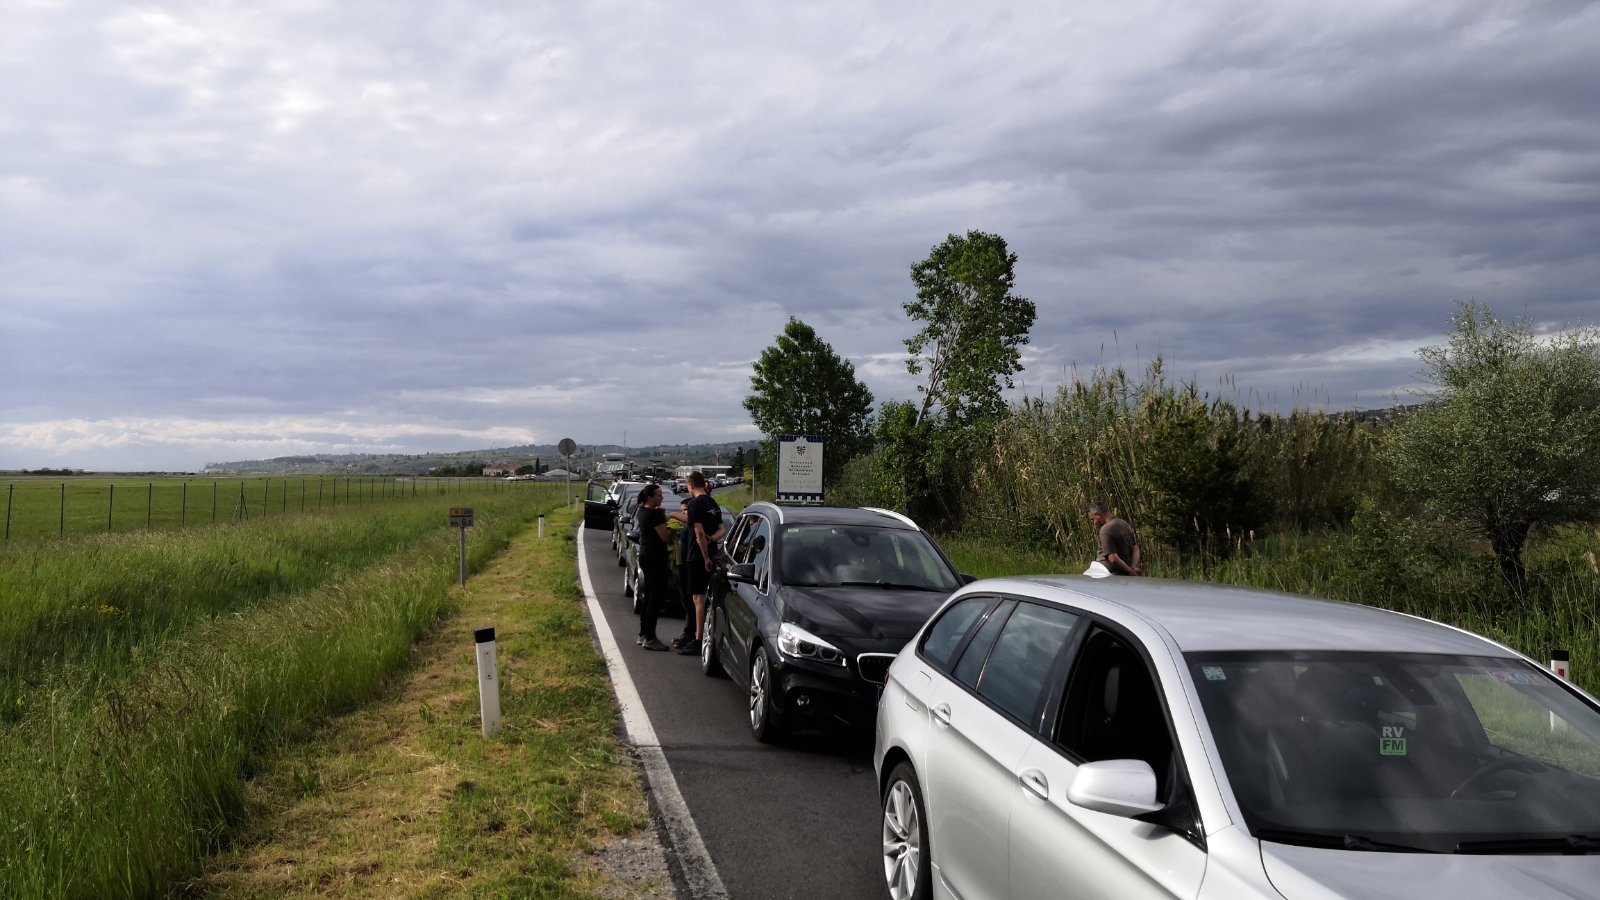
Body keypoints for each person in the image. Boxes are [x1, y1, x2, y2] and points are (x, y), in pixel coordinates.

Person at [673, 471, 724, 655]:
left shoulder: (694, 504)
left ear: (690, 485)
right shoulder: (713, 503)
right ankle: (698, 635)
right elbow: (722, 529)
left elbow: (698, 533)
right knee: (703, 597)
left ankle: (698, 639)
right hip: (711, 552)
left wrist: (705, 558)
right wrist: (713, 540)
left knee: (698, 599)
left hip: (697, 557)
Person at [633, 484, 673, 651]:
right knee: (657, 596)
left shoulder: (642, 511)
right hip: (654, 557)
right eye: (658, 495)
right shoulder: (653, 514)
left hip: (646, 555)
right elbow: (665, 537)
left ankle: (643, 633)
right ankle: (650, 637)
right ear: (649, 497)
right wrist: (672, 527)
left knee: (649, 595)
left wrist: (662, 515)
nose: (661, 498)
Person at [1088, 501, 1143, 576]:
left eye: (1093, 519)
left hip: (1106, 572)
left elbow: (1113, 559)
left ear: (1098, 515)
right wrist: (1132, 568)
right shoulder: (1124, 524)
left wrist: (1130, 572)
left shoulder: (1105, 530)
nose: (1094, 523)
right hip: (1124, 572)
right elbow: (1135, 548)